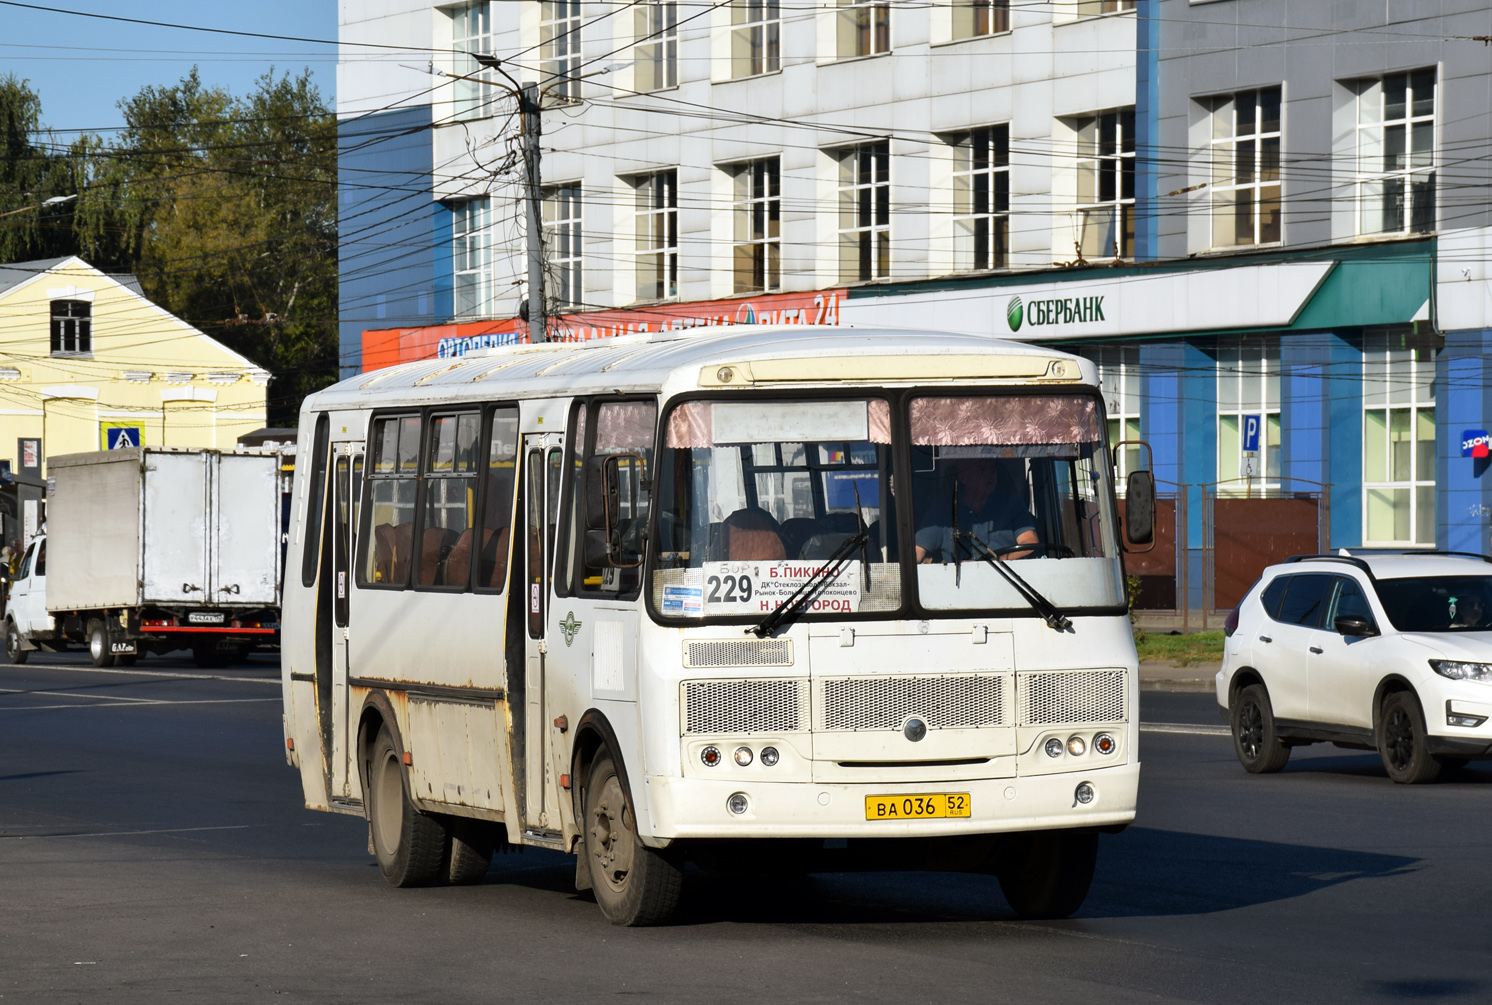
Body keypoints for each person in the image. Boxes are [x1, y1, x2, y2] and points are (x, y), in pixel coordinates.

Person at [915, 457, 1039, 563]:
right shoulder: (942, 510)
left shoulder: (1011, 504)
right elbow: (915, 554)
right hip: (957, 586)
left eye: (992, 469)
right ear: (964, 477)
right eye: (982, 469)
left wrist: (994, 563)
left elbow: (1030, 543)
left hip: (1006, 581)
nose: (991, 474)